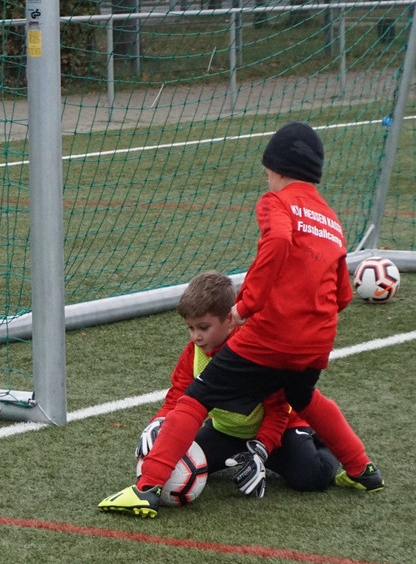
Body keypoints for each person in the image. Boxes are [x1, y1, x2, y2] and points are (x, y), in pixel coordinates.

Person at [99, 121, 384, 519]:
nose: (267, 179)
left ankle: (146, 488)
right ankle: (362, 469)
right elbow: (343, 295)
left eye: (267, 172)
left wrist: (246, 306)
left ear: (277, 169)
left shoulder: (276, 203)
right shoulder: (331, 220)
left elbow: (279, 241)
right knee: (305, 398)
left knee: (197, 397)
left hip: (273, 335)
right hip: (318, 339)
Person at [129, 270, 340, 499]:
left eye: (203, 327)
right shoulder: (193, 354)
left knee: (311, 477)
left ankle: (321, 439)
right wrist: (159, 422)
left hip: (280, 431)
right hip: (226, 432)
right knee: (174, 456)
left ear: (230, 319)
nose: (196, 337)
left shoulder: (256, 352)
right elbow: (178, 396)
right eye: (191, 328)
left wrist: (261, 449)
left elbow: (279, 411)